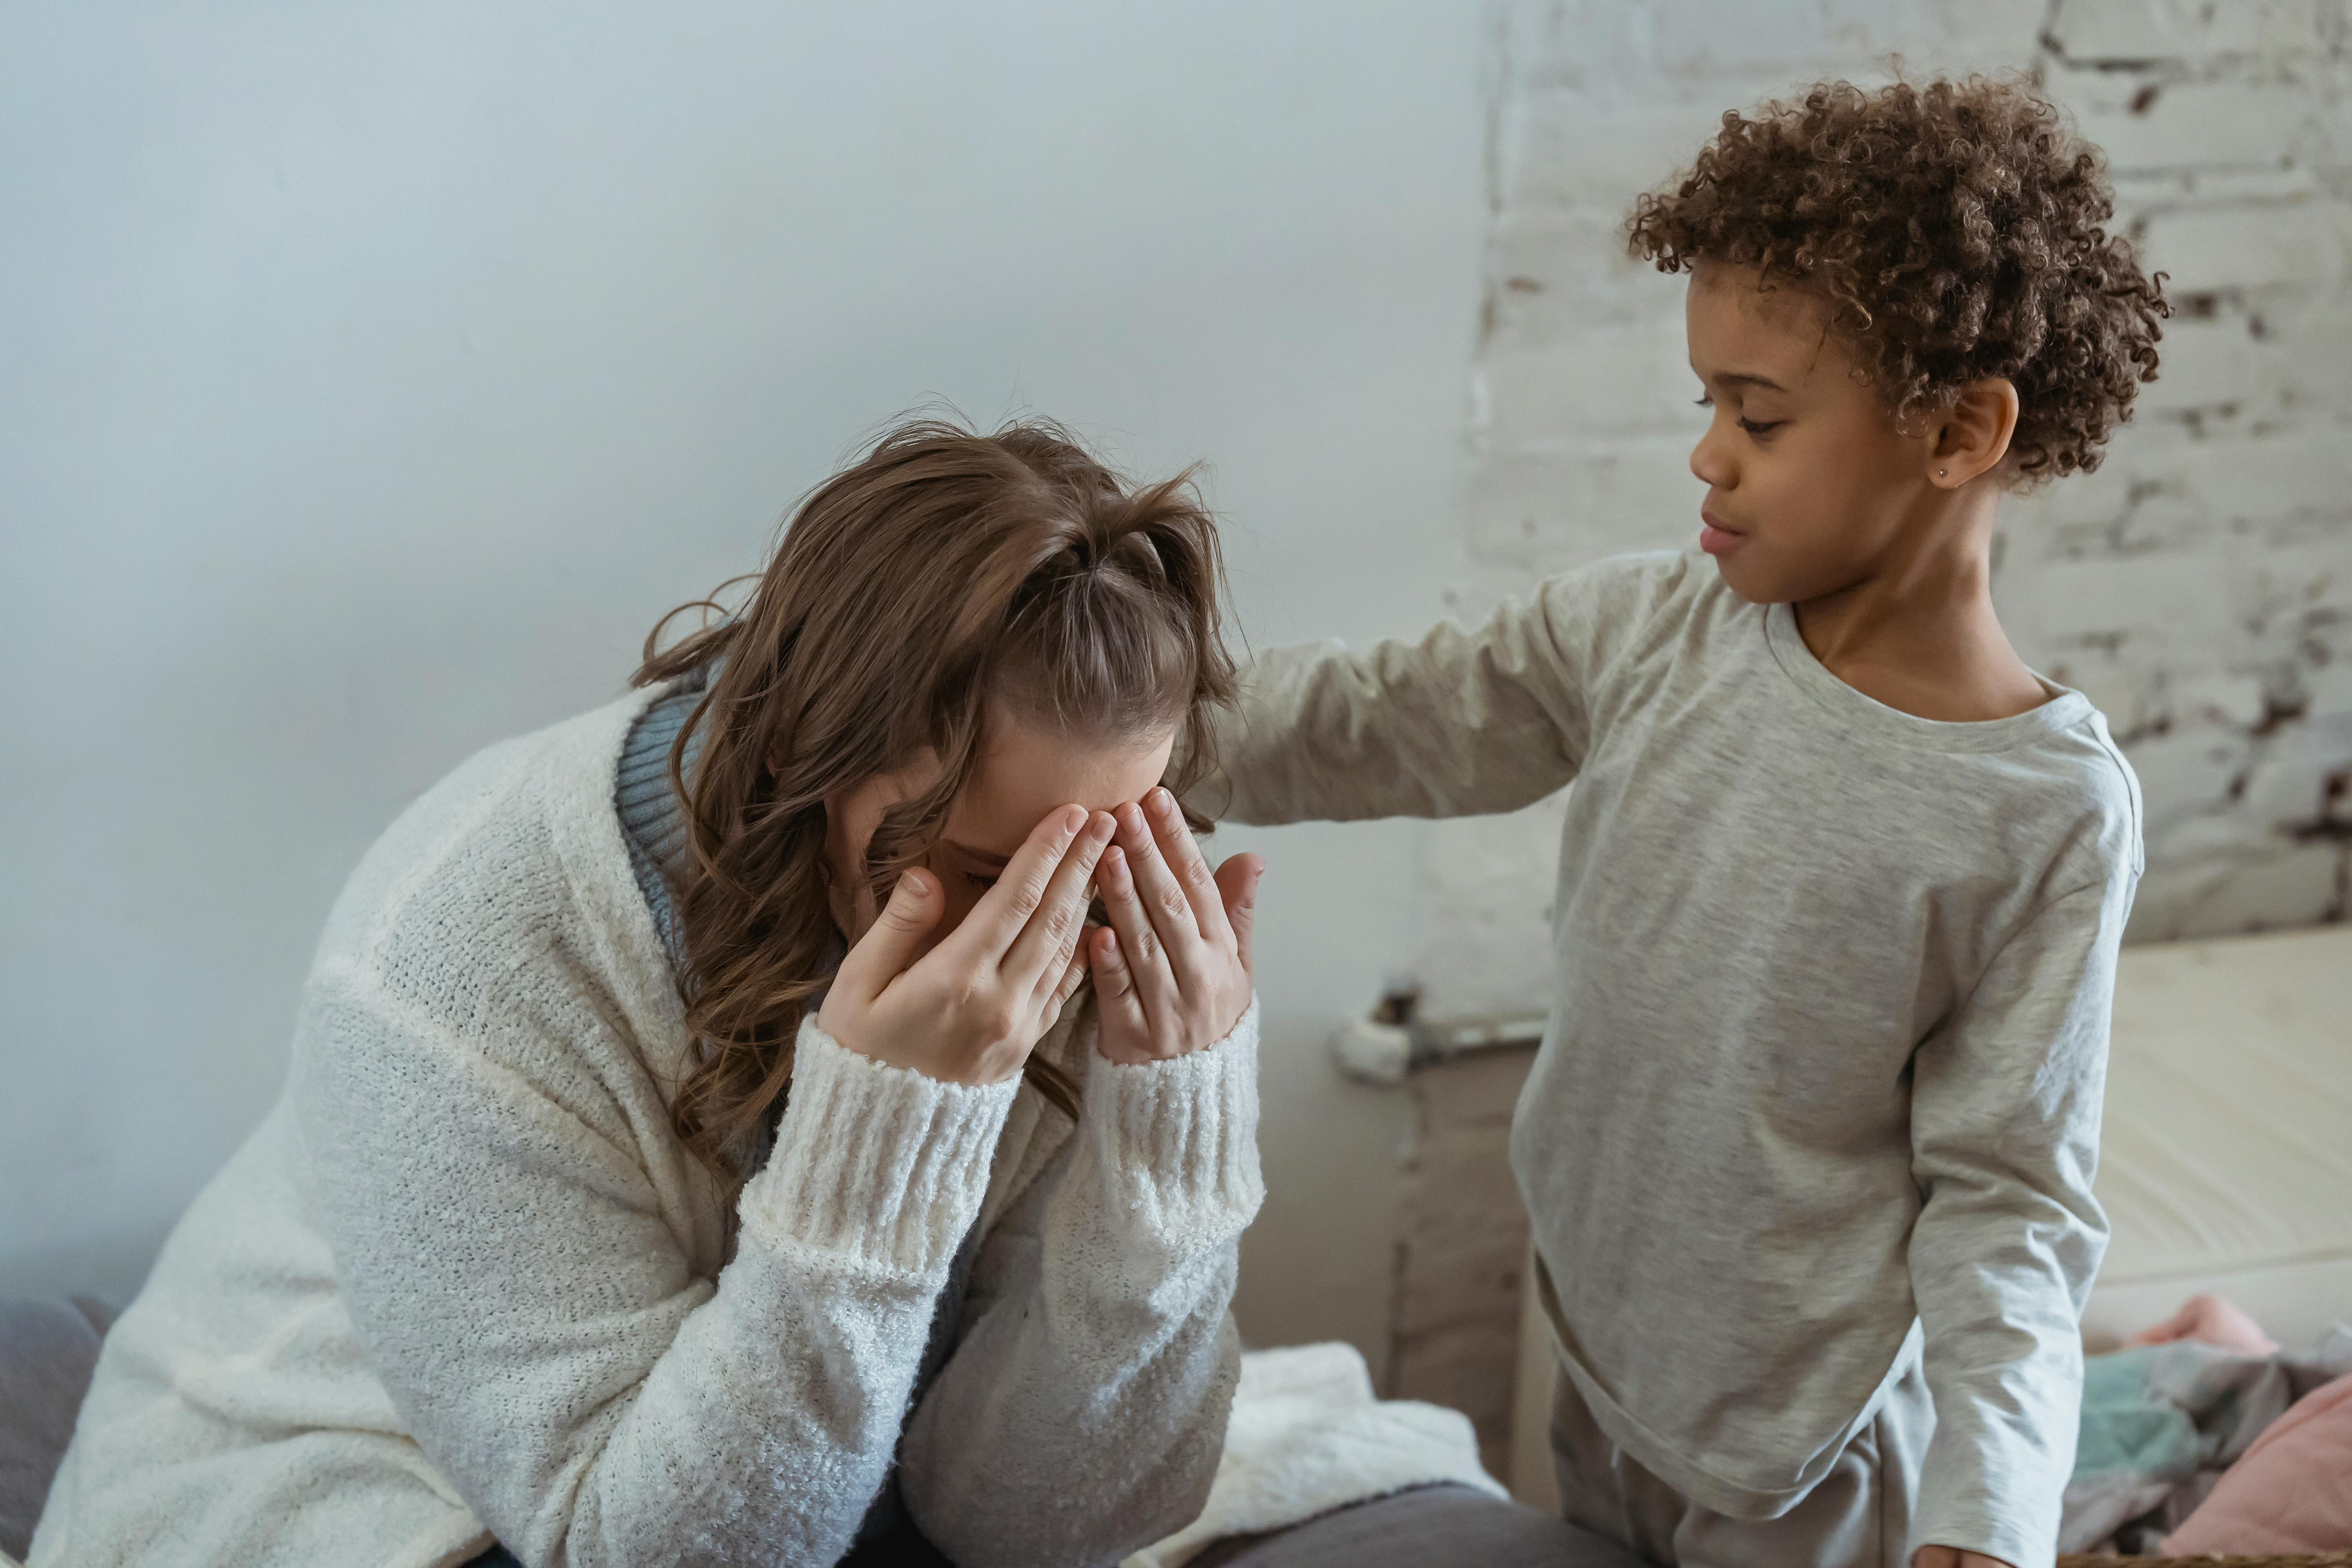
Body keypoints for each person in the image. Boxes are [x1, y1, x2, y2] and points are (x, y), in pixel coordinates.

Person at [1189, 77, 2165, 1568]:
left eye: (1758, 417)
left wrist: (1990, 1512)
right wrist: (1131, 738)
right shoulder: (1653, 629)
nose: (1709, 456)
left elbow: (2011, 1197)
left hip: (1806, 1457)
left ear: (1960, 430)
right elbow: (1389, 715)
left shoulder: (2042, 810)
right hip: (1599, 1351)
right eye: (1705, 404)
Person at [33, 419, 1270, 1568]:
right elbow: (651, 1551)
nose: (1052, 924)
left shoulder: (1081, 939)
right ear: (803, 749)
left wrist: (1164, 1162)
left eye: (1105, 857)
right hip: (348, 1484)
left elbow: (1027, 1531)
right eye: (993, 871)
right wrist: (881, 1145)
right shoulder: (456, 953)